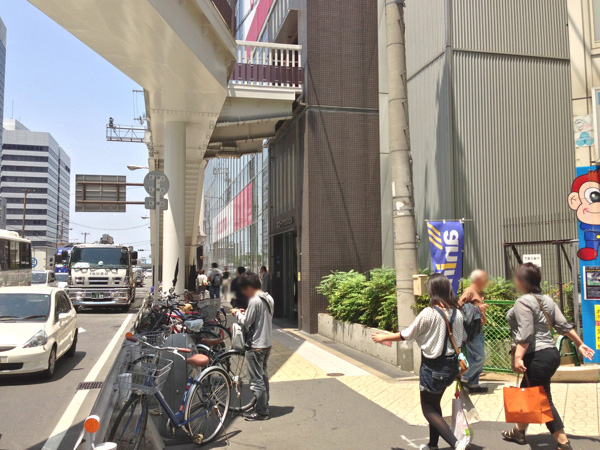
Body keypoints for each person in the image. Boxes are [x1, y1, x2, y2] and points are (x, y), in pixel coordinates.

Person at [502, 263, 595, 450]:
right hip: (551, 354)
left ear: (522, 281)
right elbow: (562, 325)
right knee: (527, 392)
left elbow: (526, 333)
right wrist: (579, 343)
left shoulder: (523, 302)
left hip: (536, 356)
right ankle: (519, 432)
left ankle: (563, 442)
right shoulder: (547, 300)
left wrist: (518, 357)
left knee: (542, 400)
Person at [372, 274, 469, 450]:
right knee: (435, 405)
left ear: (433, 291)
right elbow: (461, 339)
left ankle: (456, 443)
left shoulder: (429, 313)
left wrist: (383, 337)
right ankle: (432, 445)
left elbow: (407, 334)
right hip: (451, 366)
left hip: (433, 367)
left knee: (427, 409)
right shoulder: (458, 313)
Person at [231, 272, 274, 421]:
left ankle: (261, 412)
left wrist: (238, 313)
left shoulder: (255, 300)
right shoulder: (268, 297)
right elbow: (260, 317)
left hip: (255, 345)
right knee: (263, 376)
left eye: (244, 289)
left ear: (249, 287)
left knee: (256, 381)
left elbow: (247, 322)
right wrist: (246, 312)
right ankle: (264, 405)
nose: (244, 293)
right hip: (266, 343)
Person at [459, 269, 489, 393]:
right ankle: (463, 376)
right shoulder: (470, 291)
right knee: (479, 357)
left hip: (478, 328)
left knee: (476, 356)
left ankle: (473, 384)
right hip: (471, 329)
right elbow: (459, 307)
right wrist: (477, 309)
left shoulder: (479, 291)